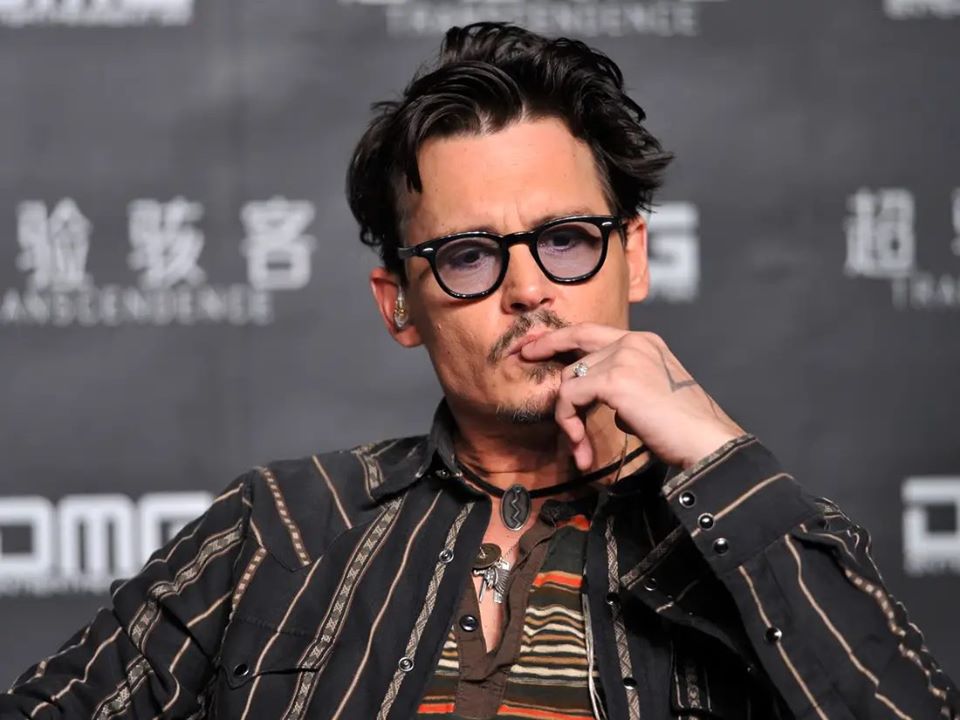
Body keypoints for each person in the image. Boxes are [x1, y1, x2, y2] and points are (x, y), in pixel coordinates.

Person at [2, 20, 957, 720]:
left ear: (633, 257)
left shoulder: (758, 536)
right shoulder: (278, 528)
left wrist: (715, 454)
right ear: (399, 306)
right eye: (467, 256)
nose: (529, 290)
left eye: (566, 240)